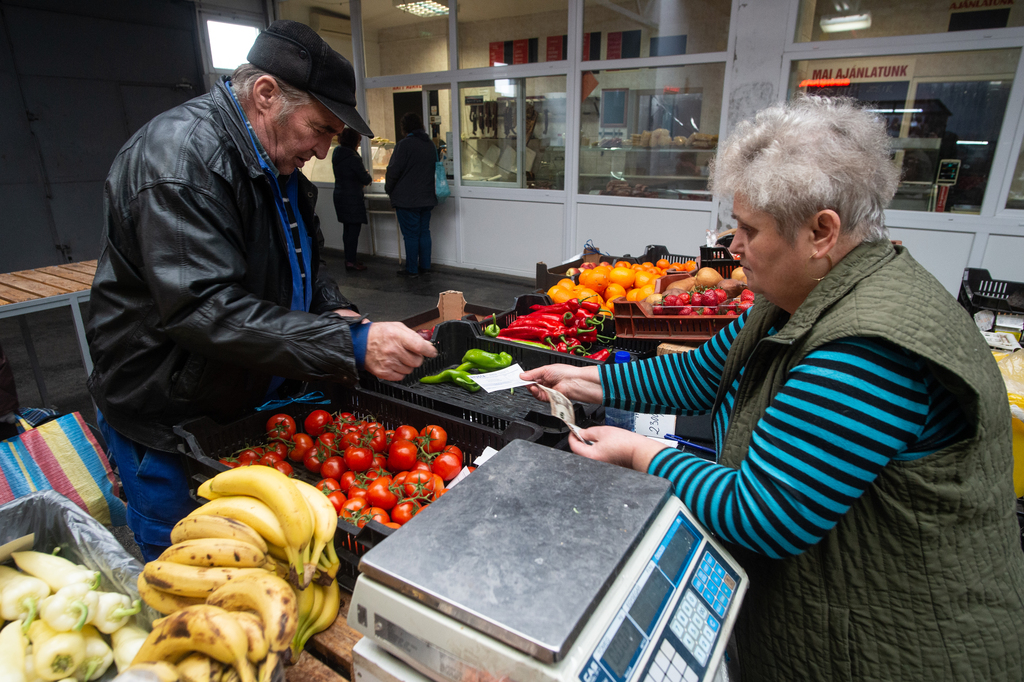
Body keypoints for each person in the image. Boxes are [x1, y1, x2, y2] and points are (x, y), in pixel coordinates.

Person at [523, 96, 1024, 681]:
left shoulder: (867, 346)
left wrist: (641, 453)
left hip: (900, 649)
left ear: (821, 231)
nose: (732, 247)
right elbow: (700, 373)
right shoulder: (800, 297)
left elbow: (761, 511)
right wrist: (589, 379)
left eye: (748, 229)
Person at [87, 20, 437, 561]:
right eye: (319, 128)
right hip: (169, 412)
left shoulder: (277, 163)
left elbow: (302, 261)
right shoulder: (180, 160)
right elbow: (202, 308)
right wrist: (349, 345)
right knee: (184, 556)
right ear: (266, 94)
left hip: (244, 398)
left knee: (264, 554)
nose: (322, 150)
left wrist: (332, 308)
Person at [386, 112, 437, 279]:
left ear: (404, 128)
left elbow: (393, 171)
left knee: (411, 235)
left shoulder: (404, 145)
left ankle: (412, 270)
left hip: (407, 200)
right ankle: (426, 266)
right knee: (424, 232)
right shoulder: (429, 144)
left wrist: (389, 189)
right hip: (427, 196)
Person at [332, 127, 372, 271]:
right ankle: (351, 261)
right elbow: (365, 178)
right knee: (353, 232)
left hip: (339, 196)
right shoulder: (353, 158)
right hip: (352, 198)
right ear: (355, 141)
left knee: (347, 230)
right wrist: (367, 174)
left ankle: (349, 258)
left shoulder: (337, 153)